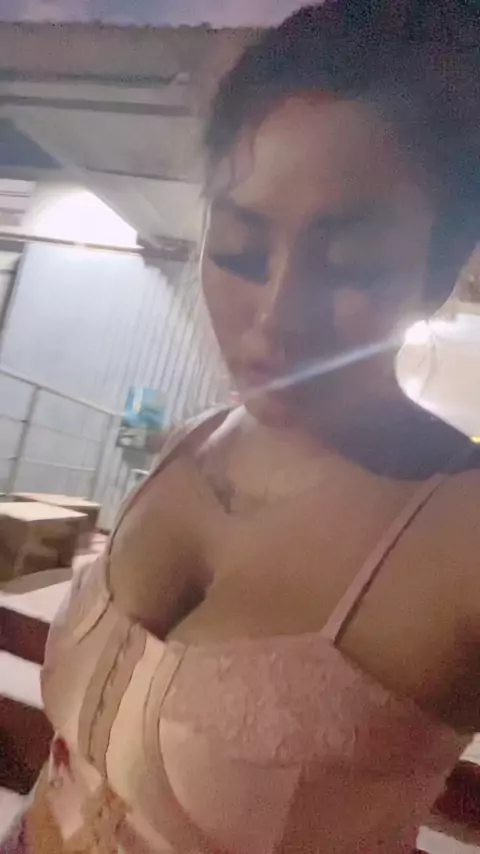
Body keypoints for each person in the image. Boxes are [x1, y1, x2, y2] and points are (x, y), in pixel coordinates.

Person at [4, 1, 480, 852]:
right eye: (238, 250)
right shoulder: (190, 445)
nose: (275, 317)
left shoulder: (462, 533)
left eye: (350, 264)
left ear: (437, 271)